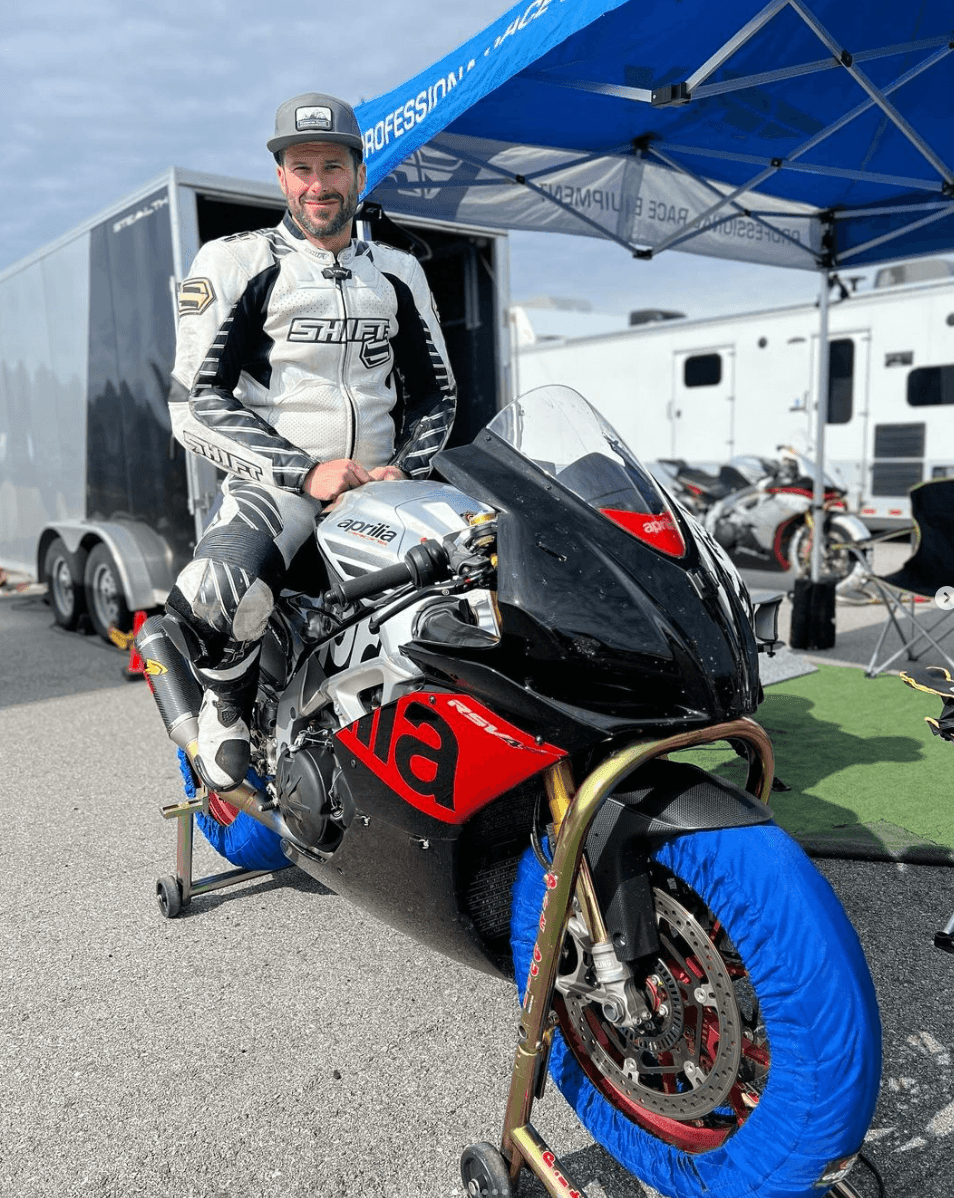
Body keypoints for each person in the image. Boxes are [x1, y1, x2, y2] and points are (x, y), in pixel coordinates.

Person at [165, 92, 457, 791]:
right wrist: (305, 473)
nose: (318, 184)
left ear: (359, 172)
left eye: (333, 165)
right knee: (213, 593)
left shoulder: (399, 269)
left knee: (483, 586)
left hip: (391, 485)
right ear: (281, 178)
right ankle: (227, 705)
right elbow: (192, 402)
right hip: (279, 489)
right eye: (301, 168)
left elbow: (439, 392)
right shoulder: (234, 262)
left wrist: (404, 468)